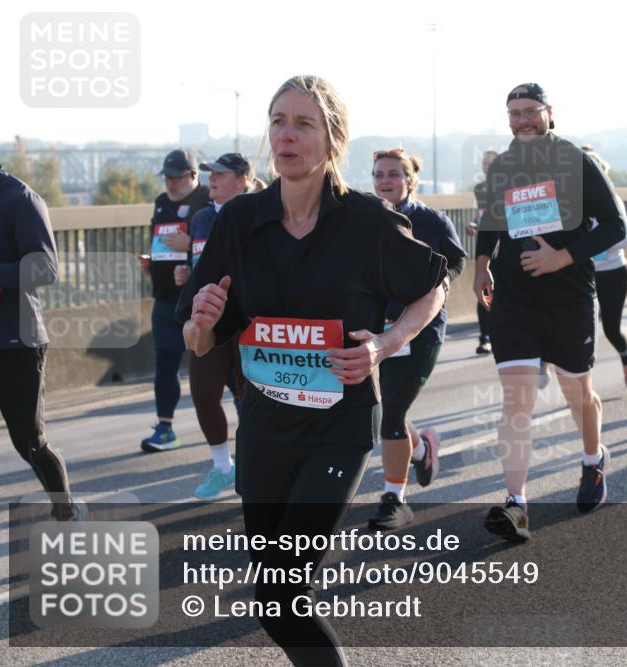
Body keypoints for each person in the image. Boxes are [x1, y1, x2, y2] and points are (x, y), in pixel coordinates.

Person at [177, 75, 446, 666]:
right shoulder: (239, 220)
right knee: (275, 597)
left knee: (280, 597)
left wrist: (385, 344)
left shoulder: (367, 221)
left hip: (337, 428)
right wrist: (201, 322)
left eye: (304, 124)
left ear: (333, 140)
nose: (287, 135)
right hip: (264, 427)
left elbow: (434, 287)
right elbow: (199, 339)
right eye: (278, 121)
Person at [473, 82, 627, 541]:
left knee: (578, 393)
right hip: (514, 300)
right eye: (513, 113)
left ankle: (593, 459)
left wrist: (563, 257)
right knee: (516, 399)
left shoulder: (575, 161)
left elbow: (615, 226)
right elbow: (492, 219)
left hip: (568, 297)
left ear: (548, 112)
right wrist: (481, 265)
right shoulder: (505, 165)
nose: (521, 120)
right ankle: (517, 503)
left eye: (529, 111)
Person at [368, 148, 466, 530]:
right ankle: (422, 447)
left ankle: (394, 499)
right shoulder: (365, 218)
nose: (385, 181)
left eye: (394, 174)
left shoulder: (431, 221)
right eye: (379, 174)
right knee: (387, 409)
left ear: (410, 181)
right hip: (379, 329)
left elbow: (456, 259)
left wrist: (442, 282)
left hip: (421, 330)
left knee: (391, 412)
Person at [0, 164, 79, 521]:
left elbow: (45, 267)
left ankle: (66, 512)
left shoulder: (20, 198)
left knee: (29, 442)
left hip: (15, 343)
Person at [173, 153, 251, 499]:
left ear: (242, 179)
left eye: (220, 174)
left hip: (248, 321)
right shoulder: (202, 217)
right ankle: (222, 466)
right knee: (203, 392)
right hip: (208, 318)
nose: (212, 180)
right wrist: (186, 274)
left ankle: (253, 465)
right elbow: (201, 263)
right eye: (210, 174)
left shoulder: (259, 213)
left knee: (249, 398)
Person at [139, 149, 210, 452]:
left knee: (213, 370)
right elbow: (160, 239)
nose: (170, 183)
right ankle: (165, 428)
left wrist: (190, 243)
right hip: (165, 299)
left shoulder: (207, 200)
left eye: (176, 178)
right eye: (166, 177)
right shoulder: (161, 202)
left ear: (193, 175)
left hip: (198, 302)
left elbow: (220, 246)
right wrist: (152, 261)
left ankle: (241, 427)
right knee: (165, 366)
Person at [581, 145, 627, 389]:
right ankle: (581, 379)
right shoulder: (571, 205)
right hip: (584, 275)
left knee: (611, 329)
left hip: (613, 273)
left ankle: (626, 359)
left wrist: (594, 245)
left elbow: (624, 239)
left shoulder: (613, 201)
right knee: (581, 329)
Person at [469, 150, 499, 355]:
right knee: (485, 289)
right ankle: (485, 337)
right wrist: (473, 224)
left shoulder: (511, 183)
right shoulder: (480, 188)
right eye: (485, 163)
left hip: (506, 245)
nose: (487, 167)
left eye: (491, 163)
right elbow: (481, 214)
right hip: (487, 246)